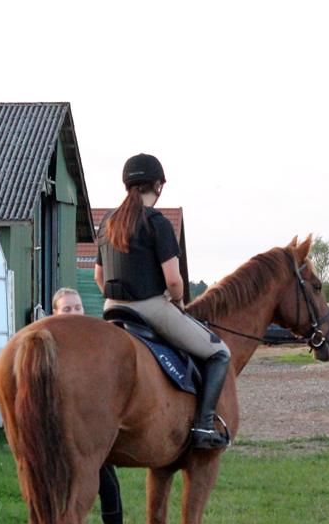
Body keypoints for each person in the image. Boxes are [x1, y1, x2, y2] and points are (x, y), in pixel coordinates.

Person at [95, 154, 231, 449]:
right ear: (157, 186)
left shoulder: (107, 222)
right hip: (150, 309)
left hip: (111, 310)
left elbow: (98, 276)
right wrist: (179, 303)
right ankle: (204, 427)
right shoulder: (157, 222)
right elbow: (172, 279)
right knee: (219, 352)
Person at [51, 287, 139, 524]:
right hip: (60, 432)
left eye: (77, 308)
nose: (74, 313)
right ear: (55, 313)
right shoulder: (50, 346)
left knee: (109, 485)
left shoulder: (92, 347)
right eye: (67, 309)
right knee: (60, 490)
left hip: (90, 434)